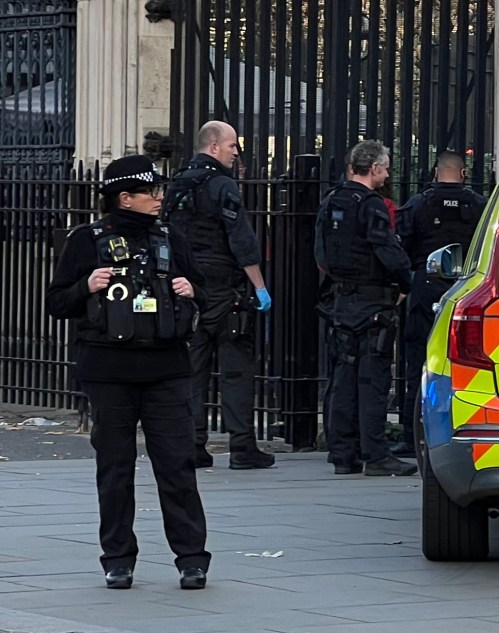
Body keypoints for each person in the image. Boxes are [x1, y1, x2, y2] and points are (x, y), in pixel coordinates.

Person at [46, 155, 211, 590]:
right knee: (116, 469)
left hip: (166, 368)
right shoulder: (87, 240)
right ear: (125, 197)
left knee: (177, 466)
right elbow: (56, 302)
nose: (160, 198)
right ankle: (118, 559)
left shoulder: (171, 237)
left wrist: (192, 290)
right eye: (151, 192)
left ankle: (191, 559)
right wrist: (87, 286)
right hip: (109, 371)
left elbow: (206, 294)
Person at [164, 121, 275, 470]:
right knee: (236, 367)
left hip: (186, 287)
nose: (236, 151)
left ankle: (194, 445)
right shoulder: (223, 185)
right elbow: (241, 239)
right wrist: (259, 286)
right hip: (223, 288)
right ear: (213, 147)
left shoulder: (176, 185)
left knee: (192, 368)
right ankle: (242, 446)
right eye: (232, 145)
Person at [315, 140, 418, 476]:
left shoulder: (332, 200)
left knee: (343, 376)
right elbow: (386, 249)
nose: (387, 175)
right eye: (385, 168)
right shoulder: (370, 205)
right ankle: (375, 455)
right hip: (373, 301)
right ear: (374, 168)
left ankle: (343, 454)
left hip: (342, 300)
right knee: (372, 381)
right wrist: (407, 282)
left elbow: (321, 252)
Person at [395, 151, 487, 456]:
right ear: (462, 174)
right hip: (468, 291)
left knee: (418, 362)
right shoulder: (478, 205)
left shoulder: (419, 203)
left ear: (435, 173)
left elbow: (401, 246)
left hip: (424, 288)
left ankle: (412, 437)